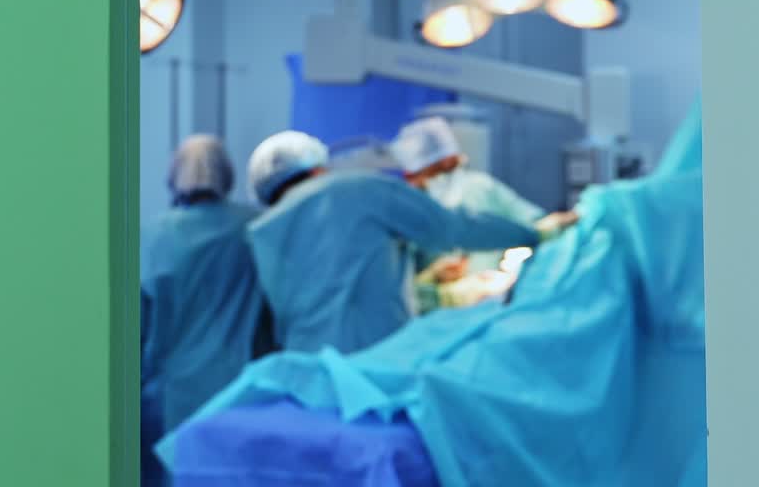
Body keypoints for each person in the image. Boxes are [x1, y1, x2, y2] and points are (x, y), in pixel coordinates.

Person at [245, 130, 576, 356]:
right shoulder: (358, 189)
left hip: (305, 371)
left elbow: (342, 275)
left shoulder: (261, 232)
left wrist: (426, 273)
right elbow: (453, 227)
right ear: (318, 167)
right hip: (374, 362)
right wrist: (535, 233)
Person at [141, 135, 266, 487]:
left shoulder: (154, 236)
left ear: (173, 177)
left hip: (164, 392)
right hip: (232, 389)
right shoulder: (252, 228)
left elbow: (139, 324)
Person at [392, 116, 554, 302]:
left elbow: (537, 227)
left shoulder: (481, 188)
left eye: (418, 175)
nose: (416, 183)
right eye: (412, 177)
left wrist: (515, 266)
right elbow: (401, 284)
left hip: (496, 301)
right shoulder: (413, 210)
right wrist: (433, 280)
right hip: (441, 313)